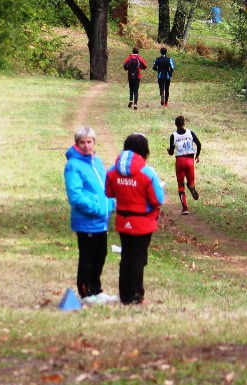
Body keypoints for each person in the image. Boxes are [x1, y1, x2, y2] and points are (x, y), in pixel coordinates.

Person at [105, 133, 165, 305]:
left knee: (126, 257)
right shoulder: (147, 172)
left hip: (123, 221)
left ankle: (124, 296)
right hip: (143, 222)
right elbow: (157, 199)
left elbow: (109, 193)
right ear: (144, 150)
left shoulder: (112, 170)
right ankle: (137, 296)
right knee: (138, 259)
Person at [63, 128, 117, 305]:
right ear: (77, 144)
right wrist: (97, 208)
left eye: (89, 142)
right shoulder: (73, 165)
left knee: (100, 254)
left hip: (101, 221)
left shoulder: (97, 161)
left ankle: (96, 289)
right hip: (87, 221)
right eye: (82, 142)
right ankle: (86, 294)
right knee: (87, 258)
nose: (86, 146)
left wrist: (111, 204)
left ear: (94, 142)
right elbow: (75, 195)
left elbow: (104, 188)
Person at [167, 115, 203, 215]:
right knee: (191, 181)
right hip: (190, 160)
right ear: (184, 123)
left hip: (180, 160)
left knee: (180, 185)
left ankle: (185, 208)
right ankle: (191, 187)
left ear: (175, 124)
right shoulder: (190, 133)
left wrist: (169, 150)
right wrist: (197, 155)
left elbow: (171, 152)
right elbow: (199, 144)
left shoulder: (173, 136)